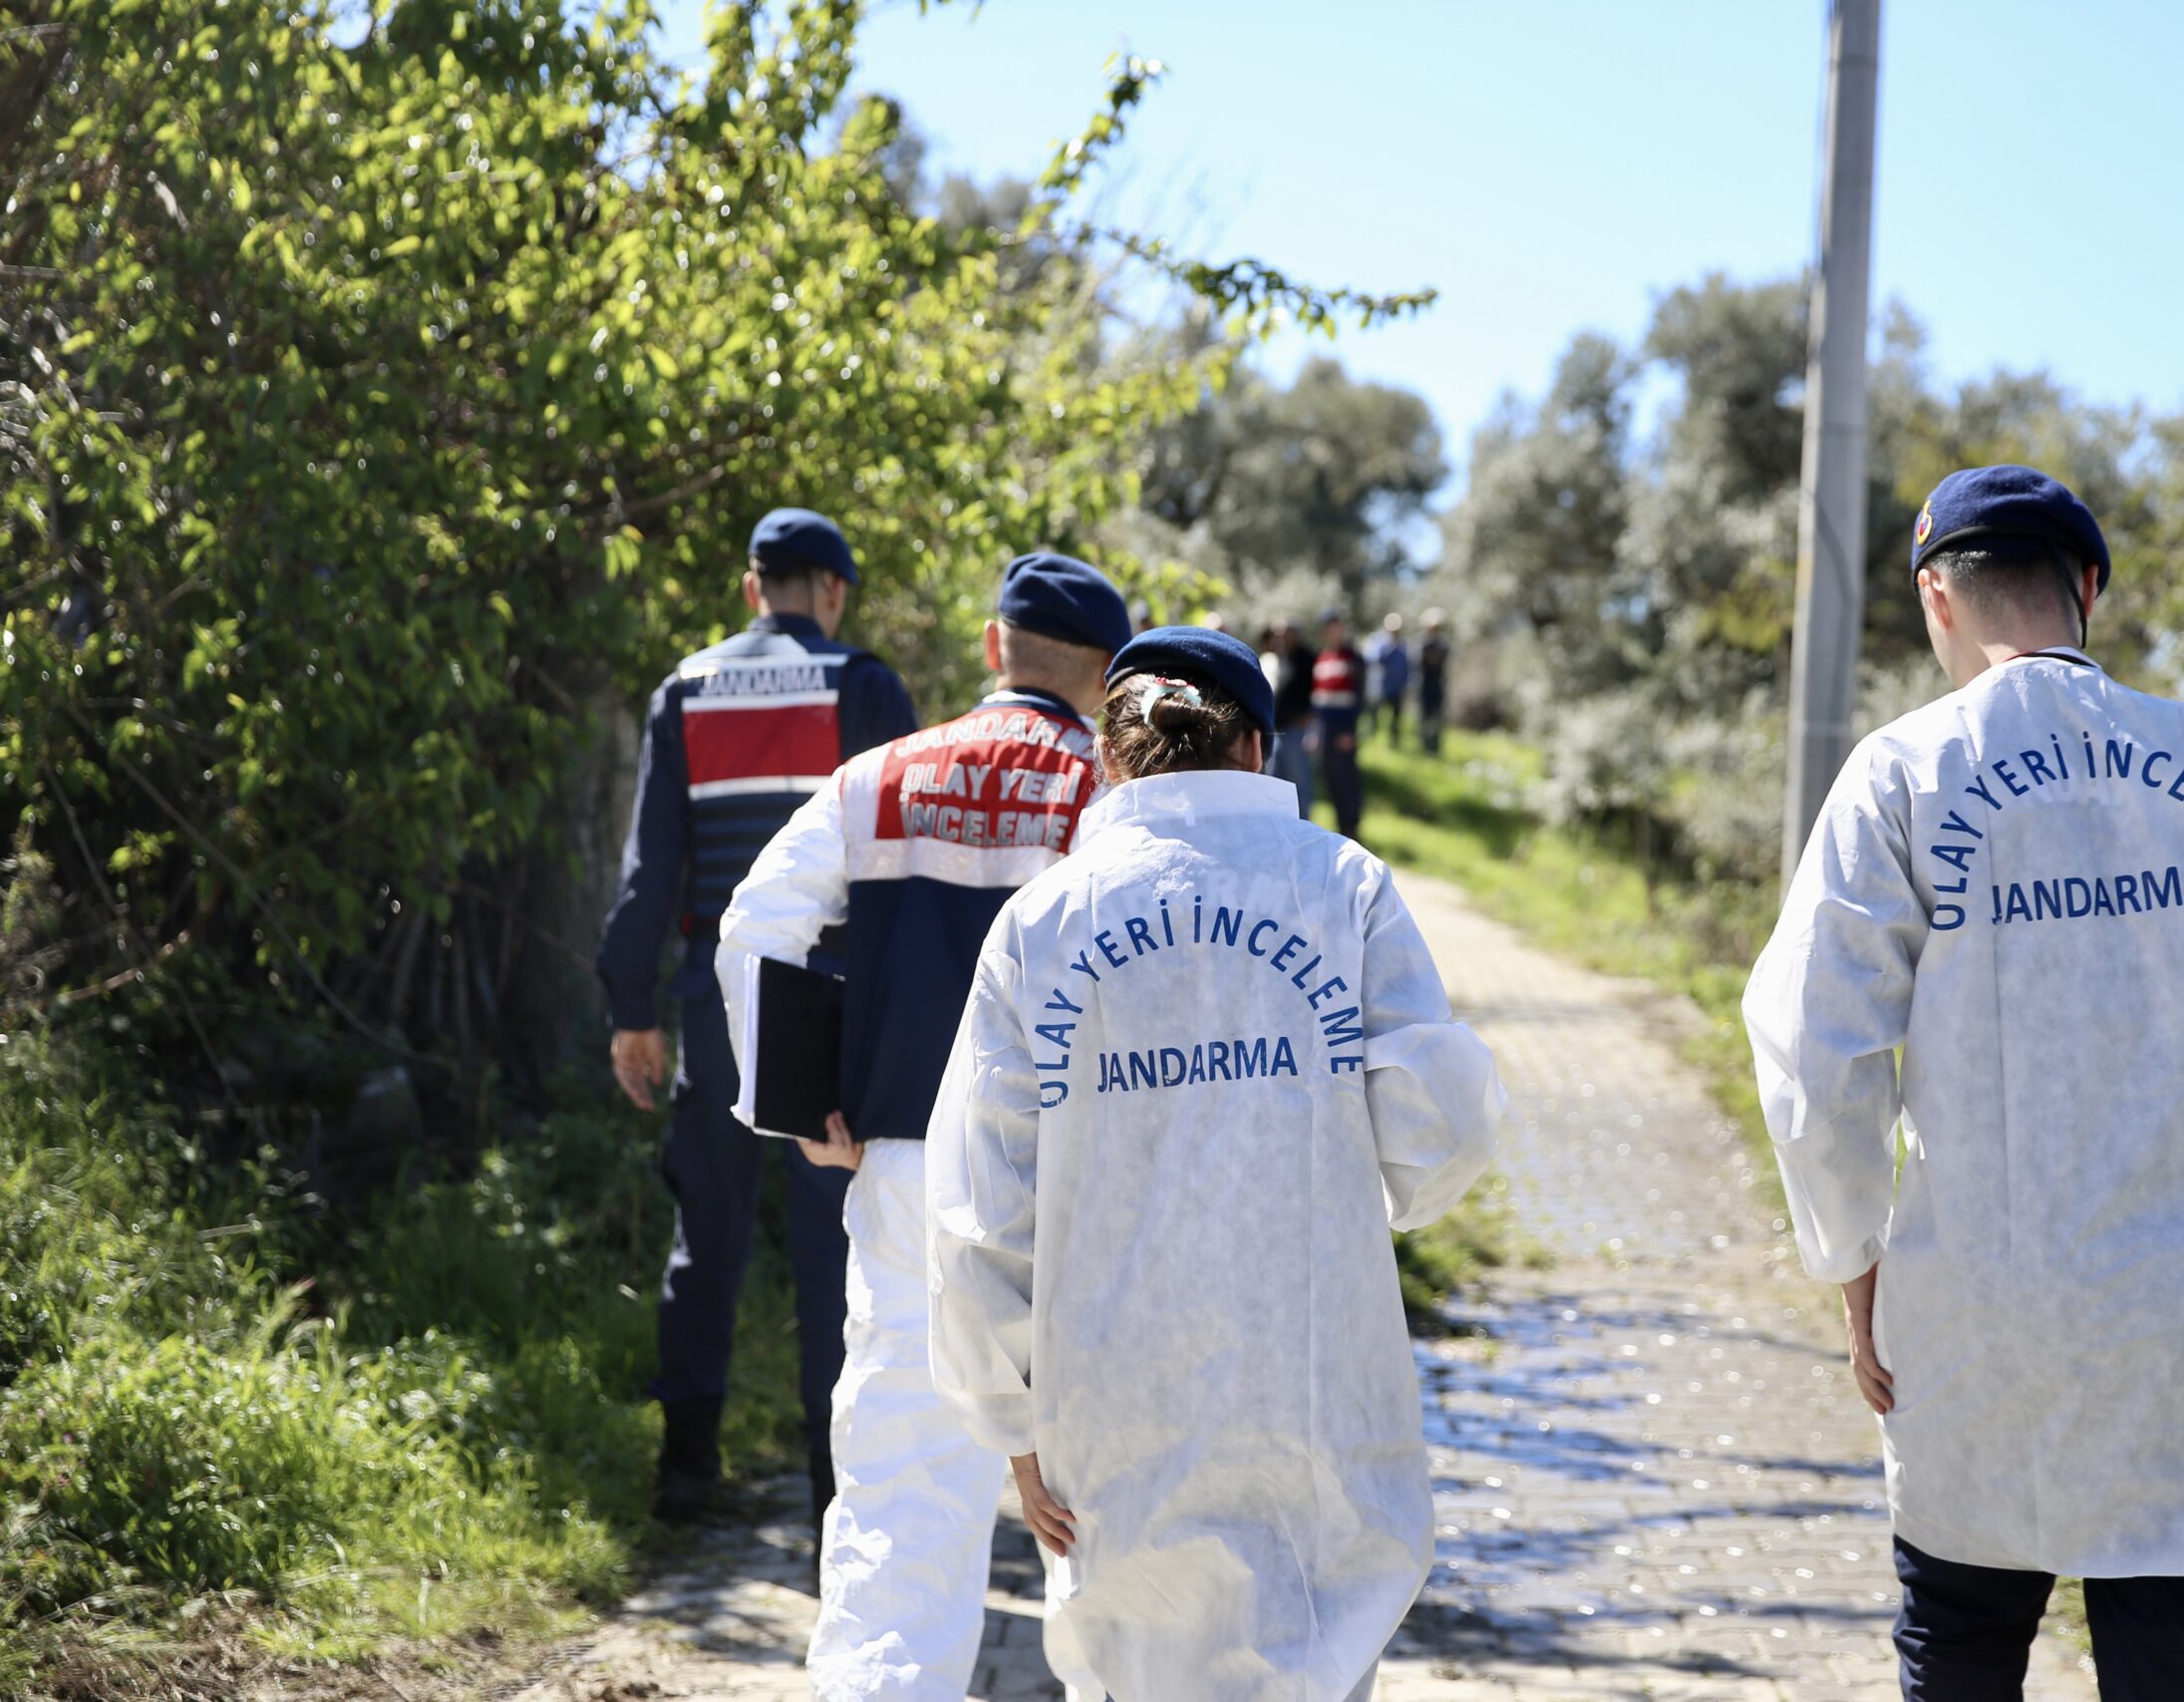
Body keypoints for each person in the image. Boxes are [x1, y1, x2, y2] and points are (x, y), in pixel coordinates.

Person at [1741, 465, 2184, 1701]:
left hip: (1988, 1319)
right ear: (2089, 591)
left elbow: (1813, 1043)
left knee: (1957, 1645)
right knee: (2180, 1662)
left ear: (1933, 603)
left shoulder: (1902, 775)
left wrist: (1854, 1269)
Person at [925, 626, 1503, 1702]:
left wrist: (1010, 1422)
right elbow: (1446, 1122)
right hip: (1314, 1373)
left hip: (1110, 1389)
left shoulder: (1041, 924)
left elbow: (977, 1208)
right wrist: (1359, 1185)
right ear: (1256, 752)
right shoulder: (1340, 885)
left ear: (1109, 760)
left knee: (1135, 1671)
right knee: (1312, 1663)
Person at [715, 553, 1132, 1701]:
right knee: (1091, 1498)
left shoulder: (879, 775)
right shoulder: (1110, 794)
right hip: (1068, 1187)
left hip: (903, 1169)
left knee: (900, 1494)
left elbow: (756, 927)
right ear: (1104, 675)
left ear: (994, 648)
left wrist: (801, 1109)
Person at [595, 507, 917, 1525]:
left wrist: (630, 1009)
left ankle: (684, 1474)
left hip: (715, 1008)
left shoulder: (682, 690)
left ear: (750, 587)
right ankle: (837, 1508)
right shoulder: (862, 685)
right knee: (834, 1251)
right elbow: (898, 869)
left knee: (707, 1236)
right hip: (829, 1010)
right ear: (832, 591)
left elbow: (650, 874)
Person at [1312, 608, 1369, 841]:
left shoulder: (1353, 658)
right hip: (1325, 730)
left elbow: (1361, 696)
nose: (1332, 631)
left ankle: (1352, 828)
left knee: (1348, 780)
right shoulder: (1322, 658)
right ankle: (1340, 829)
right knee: (1332, 780)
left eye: (1336, 625)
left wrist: (1350, 730)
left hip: (1344, 730)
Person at [1269, 617, 1320, 819]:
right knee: (1277, 779)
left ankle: (1304, 823)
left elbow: (1316, 692)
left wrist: (1310, 717)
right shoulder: (1278, 657)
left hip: (1297, 729)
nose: (1282, 637)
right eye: (1279, 634)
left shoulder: (1308, 659)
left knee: (1299, 780)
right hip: (1277, 728)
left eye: (1286, 633)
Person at [1363, 610, 1411, 747]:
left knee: (1396, 717)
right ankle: (1371, 739)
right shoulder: (1378, 641)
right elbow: (1373, 658)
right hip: (1380, 687)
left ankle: (1394, 742)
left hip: (1397, 688)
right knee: (1374, 715)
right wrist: (1389, 647)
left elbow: (1406, 666)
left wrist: (1406, 682)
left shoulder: (1403, 644)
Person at [1415, 608, 1451, 757]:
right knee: (1424, 716)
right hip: (1424, 684)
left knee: (1436, 717)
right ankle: (1424, 746)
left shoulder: (1443, 643)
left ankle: (1434, 747)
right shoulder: (1422, 643)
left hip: (1437, 684)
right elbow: (1422, 660)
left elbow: (1439, 658)